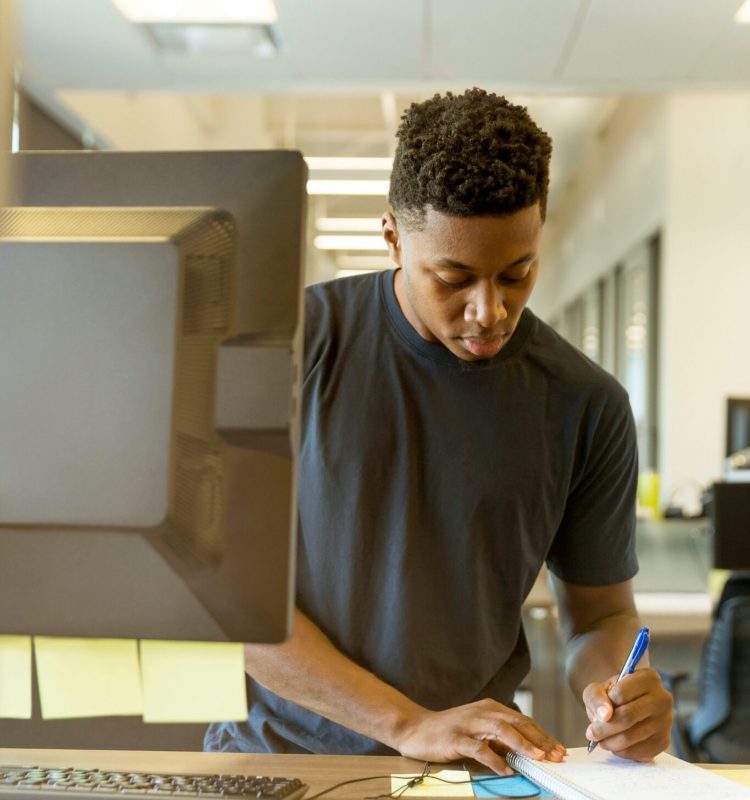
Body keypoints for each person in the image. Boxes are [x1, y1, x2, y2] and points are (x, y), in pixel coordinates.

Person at [205, 88, 672, 773]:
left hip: (466, 771)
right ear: (392, 235)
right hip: (280, 762)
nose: (490, 310)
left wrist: (620, 696)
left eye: (518, 274)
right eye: (454, 278)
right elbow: (226, 596)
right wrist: (404, 722)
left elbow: (601, 618)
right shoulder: (289, 349)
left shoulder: (585, 403)